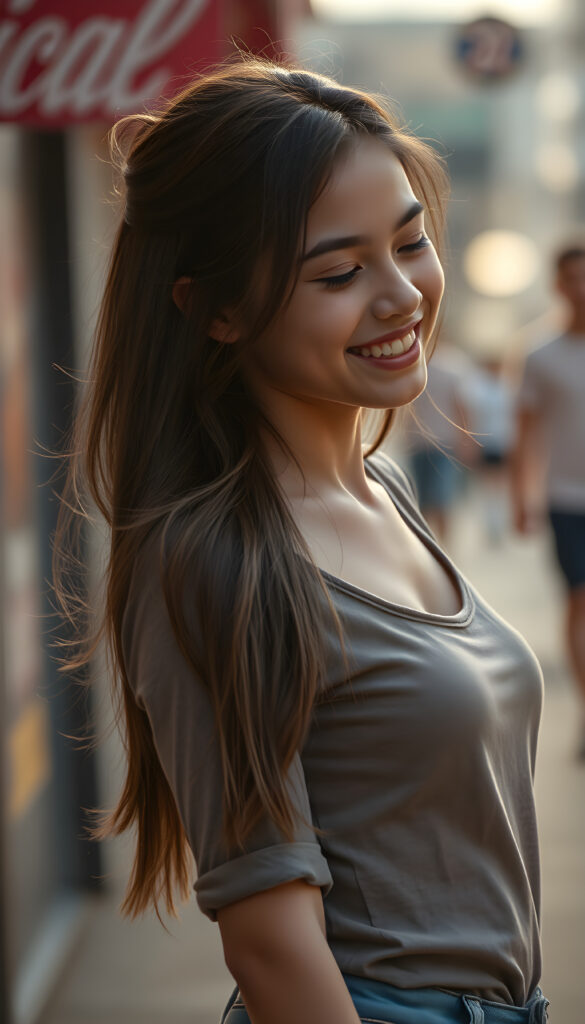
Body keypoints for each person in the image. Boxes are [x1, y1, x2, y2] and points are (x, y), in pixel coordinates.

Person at [56, 59, 549, 1024]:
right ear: (217, 309)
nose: (402, 295)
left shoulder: (386, 491)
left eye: (410, 243)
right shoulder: (216, 558)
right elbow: (273, 948)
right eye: (338, 272)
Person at [513, 244, 585, 759]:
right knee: (579, 603)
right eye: (572, 279)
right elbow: (527, 435)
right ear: (557, 286)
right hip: (566, 500)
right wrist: (523, 496)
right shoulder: (540, 356)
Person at [405, 344, 471, 543]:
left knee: (439, 497)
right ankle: (432, 545)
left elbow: (461, 408)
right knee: (426, 499)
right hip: (421, 443)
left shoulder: (449, 369)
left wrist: (465, 440)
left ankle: (442, 546)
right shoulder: (411, 369)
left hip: (442, 443)